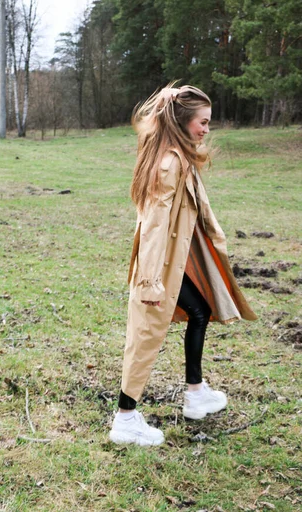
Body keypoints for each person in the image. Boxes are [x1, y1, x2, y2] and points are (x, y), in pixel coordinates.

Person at [109, 83, 257, 446]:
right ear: (182, 121)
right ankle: (125, 419)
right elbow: (155, 225)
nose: (206, 129)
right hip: (158, 268)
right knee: (145, 336)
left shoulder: (176, 155)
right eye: (202, 122)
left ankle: (195, 392)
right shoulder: (170, 162)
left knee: (200, 310)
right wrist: (149, 282)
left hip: (173, 263)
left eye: (209, 122)